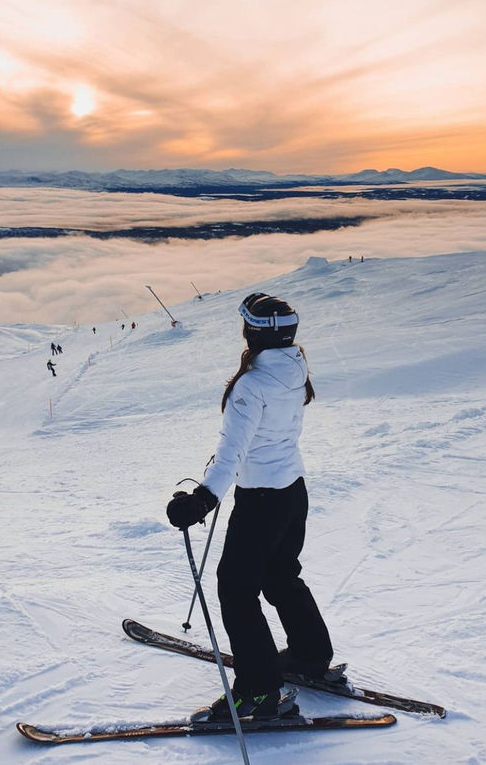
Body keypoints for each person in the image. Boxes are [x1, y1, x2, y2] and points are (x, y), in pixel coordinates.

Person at [167, 293, 335, 720]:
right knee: (280, 576)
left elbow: (233, 452)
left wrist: (202, 500)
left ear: (252, 332)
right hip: (292, 492)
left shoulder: (251, 384)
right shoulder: (295, 367)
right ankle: (309, 654)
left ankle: (261, 692)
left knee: (236, 589)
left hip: (260, 498)